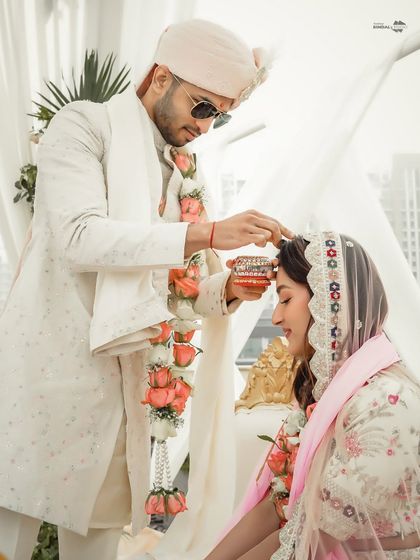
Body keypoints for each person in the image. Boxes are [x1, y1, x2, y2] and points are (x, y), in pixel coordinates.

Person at [0, 19, 292, 560]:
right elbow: (80, 237)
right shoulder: (85, 127)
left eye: (221, 115)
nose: (207, 126)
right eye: (203, 107)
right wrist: (206, 234)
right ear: (160, 78)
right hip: (49, 378)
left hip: (126, 394)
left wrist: (230, 288)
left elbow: (178, 293)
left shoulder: (178, 170)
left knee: (97, 545)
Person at [205, 232, 420, 559]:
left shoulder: (385, 404)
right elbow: (281, 509)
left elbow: (309, 540)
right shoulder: (328, 398)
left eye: (286, 299)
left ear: (328, 302)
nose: (276, 317)